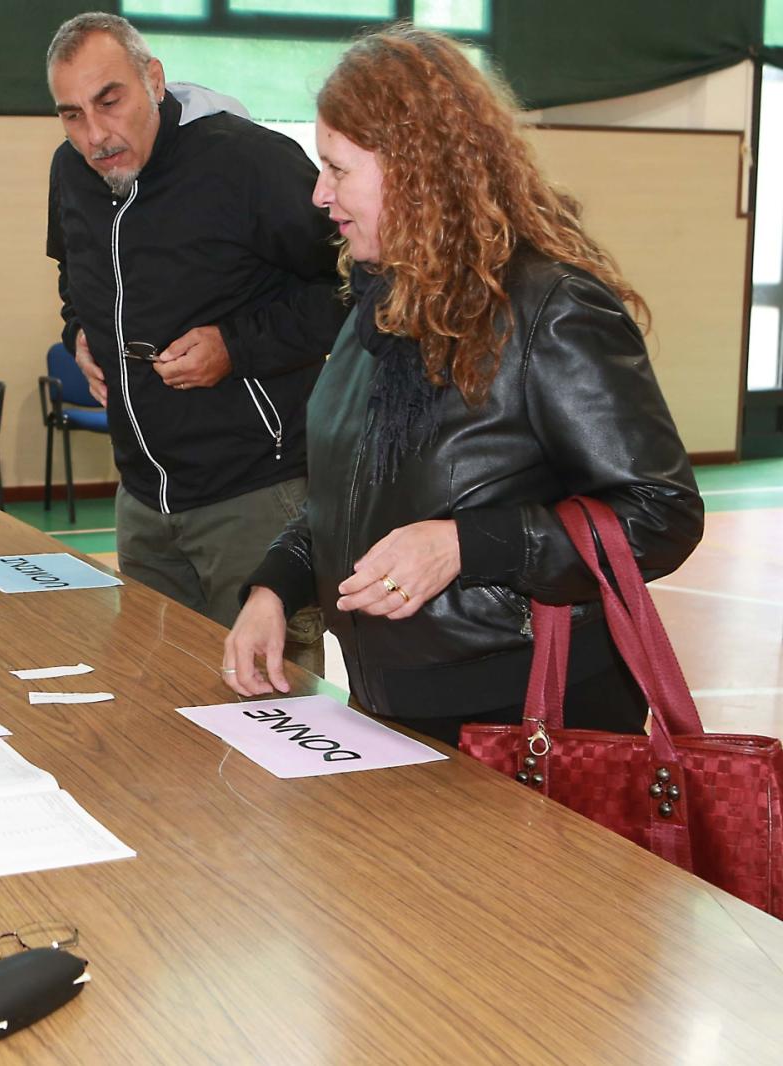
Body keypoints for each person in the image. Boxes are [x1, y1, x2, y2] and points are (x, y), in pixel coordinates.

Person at [221, 26, 704, 746]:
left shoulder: (551, 308)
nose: (321, 194)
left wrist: (465, 545)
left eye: (337, 168)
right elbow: (349, 495)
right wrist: (275, 588)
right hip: (394, 701)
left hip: (535, 712)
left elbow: (660, 512)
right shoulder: (376, 309)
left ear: (417, 170)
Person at [45, 12, 347, 675]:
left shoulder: (250, 163)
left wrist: (235, 347)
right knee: (159, 705)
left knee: (269, 714)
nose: (95, 135)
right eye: (71, 114)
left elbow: (352, 293)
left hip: (255, 495)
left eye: (109, 100)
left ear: (152, 79)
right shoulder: (70, 173)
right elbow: (75, 272)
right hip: (141, 498)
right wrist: (79, 332)